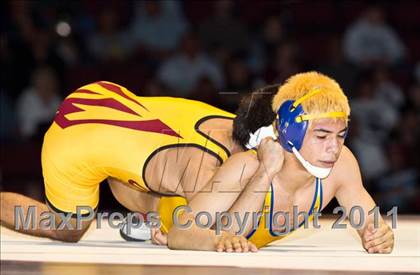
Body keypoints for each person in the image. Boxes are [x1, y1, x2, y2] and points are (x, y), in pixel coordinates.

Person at [1, 80, 275, 251]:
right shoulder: (200, 166)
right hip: (73, 139)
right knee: (67, 229)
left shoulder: (241, 120)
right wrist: (169, 231)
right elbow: (221, 232)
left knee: (161, 179)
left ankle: (149, 213)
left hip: (102, 97)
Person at [163, 72, 395, 253]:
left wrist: (378, 235)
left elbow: (371, 224)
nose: (334, 147)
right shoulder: (247, 166)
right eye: (322, 136)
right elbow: (178, 233)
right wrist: (216, 241)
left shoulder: (342, 164)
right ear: (291, 132)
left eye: (341, 134)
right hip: (163, 201)